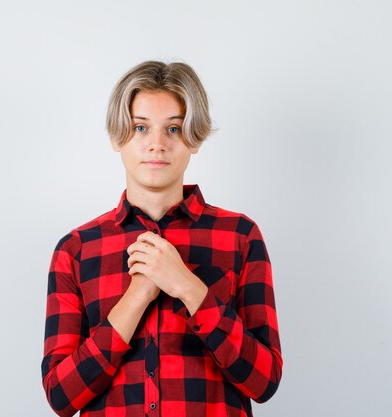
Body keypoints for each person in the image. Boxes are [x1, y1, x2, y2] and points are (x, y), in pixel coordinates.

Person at [41, 60, 282, 417]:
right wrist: (137, 295)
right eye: (140, 127)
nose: (157, 144)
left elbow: (264, 381)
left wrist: (188, 286)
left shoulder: (240, 237)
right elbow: (61, 396)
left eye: (173, 128)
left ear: (194, 139)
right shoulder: (76, 249)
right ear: (116, 137)